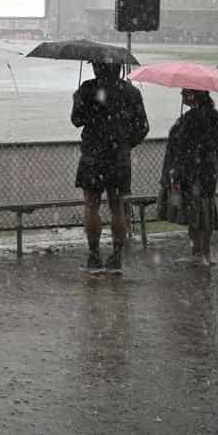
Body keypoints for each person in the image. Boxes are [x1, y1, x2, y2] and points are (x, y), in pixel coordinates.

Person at [70, 60, 149, 274]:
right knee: (118, 208)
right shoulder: (131, 92)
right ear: (119, 68)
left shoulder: (87, 89)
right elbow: (143, 127)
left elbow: (76, 120)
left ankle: (94, 255)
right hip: (119, 159)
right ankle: (116, 256)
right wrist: (124, 144)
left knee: (91, 205)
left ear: (96, 68)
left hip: (92, 157)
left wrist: (79, 101)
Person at [157, 89, 218, 265]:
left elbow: (182, 145)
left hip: (192, 170)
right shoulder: (213, 116)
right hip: (208, 170)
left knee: (195, 210)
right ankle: (205, 252)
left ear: (192, 96)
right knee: (205, 207)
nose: (181, 95)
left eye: (184, 93)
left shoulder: (192, 118)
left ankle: (198, 252)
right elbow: (213, 140)